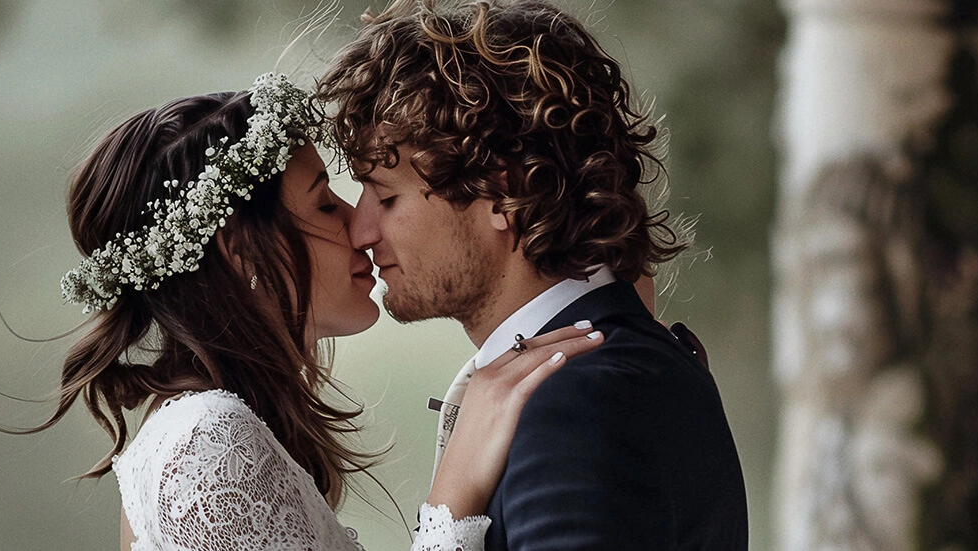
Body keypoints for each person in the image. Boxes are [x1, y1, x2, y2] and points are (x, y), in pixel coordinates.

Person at [32, 73, 611, 550]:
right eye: (324, 202)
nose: (358, 228)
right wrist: (452, 496)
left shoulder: (215, 429)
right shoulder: (205, 444)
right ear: (240, 252)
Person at [315, 0, 749, 549]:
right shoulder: (618, 365)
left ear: (505, 192)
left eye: (385, 194)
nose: (361, 230)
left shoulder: (576, 403)